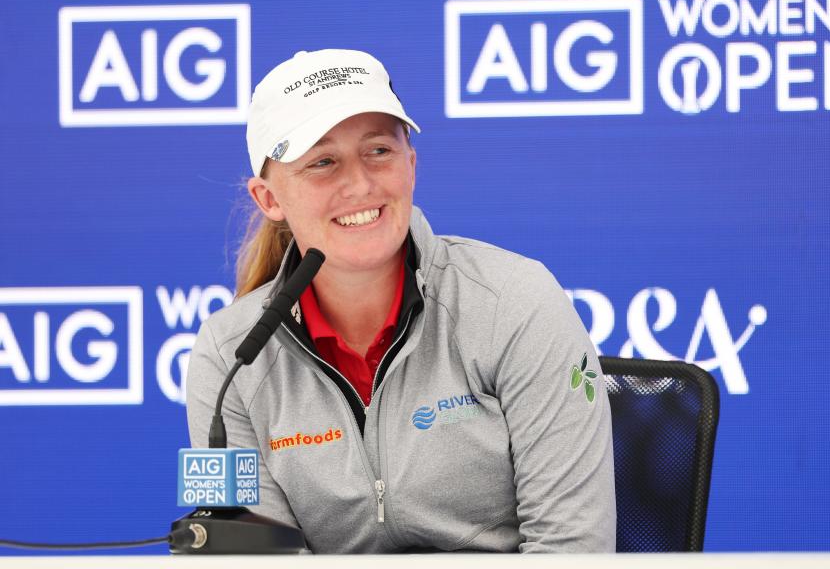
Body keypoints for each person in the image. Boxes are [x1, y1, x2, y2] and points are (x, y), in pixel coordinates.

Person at [186, 49, 616, 553]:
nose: (360, 184)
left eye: (379, 151)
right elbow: (253, 561)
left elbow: (572, 550)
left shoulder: (515, 303)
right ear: (269, 199)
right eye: (323, 162)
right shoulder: (230, 357)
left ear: (411, 165)